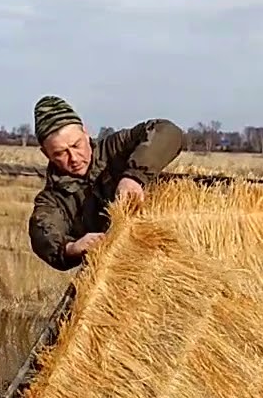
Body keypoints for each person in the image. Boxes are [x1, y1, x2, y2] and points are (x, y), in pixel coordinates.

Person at [27, 95, 186, 271]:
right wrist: (71, 248)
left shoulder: (116, 147)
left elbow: (168, 132)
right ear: (45, 153)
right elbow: (42, 232)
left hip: (168, 247)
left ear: (85, 132)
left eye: (77, 145)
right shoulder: (53, 199)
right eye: (60, 153)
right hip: (119, 268)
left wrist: (134, 177)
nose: (74, 158)